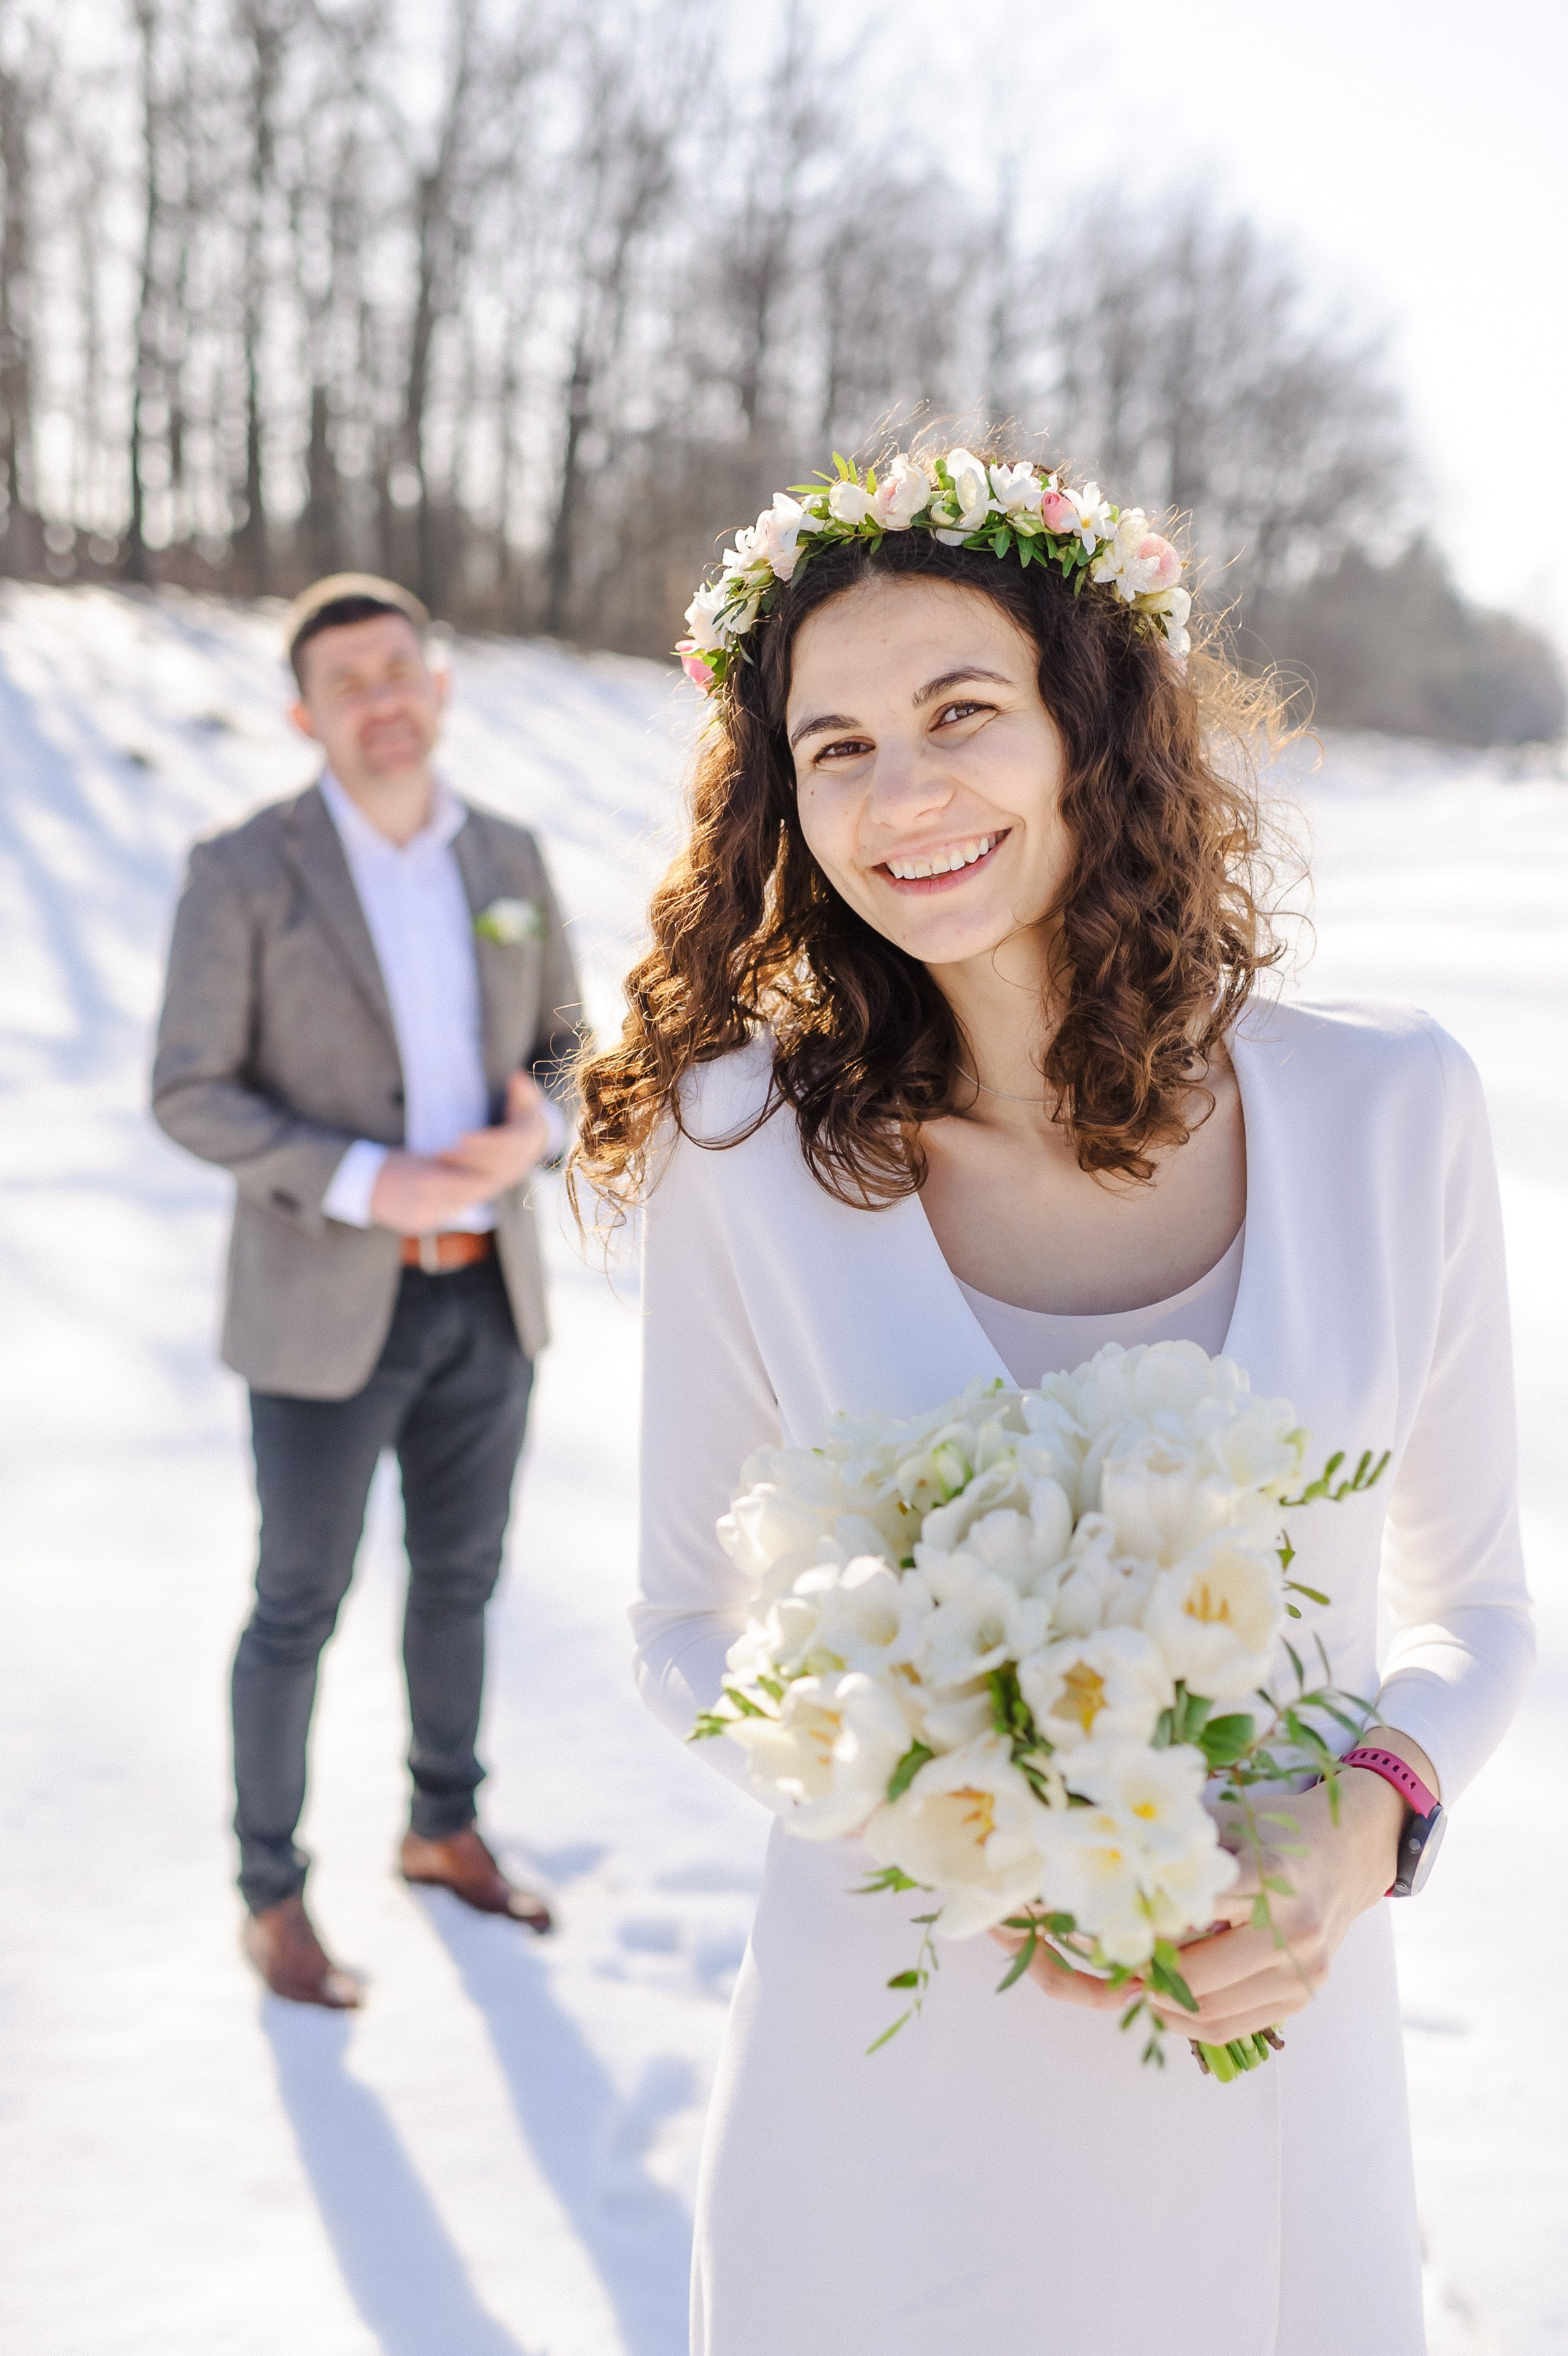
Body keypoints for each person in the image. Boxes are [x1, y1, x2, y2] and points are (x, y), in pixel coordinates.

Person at [570, 450, 1534, 2353]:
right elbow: (683, 1626)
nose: (900, 797)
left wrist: (1369, 1819)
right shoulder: (740, 1148)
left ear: (1092, 725)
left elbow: (1478, 1608)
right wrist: (956, 1794)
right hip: (887, 2092)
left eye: (959, 714)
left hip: (1272, 2066)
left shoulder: (1388, 1107)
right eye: (835, 747)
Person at [153, 573, 583, 2008]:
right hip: (321, 1308)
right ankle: (270, 1891)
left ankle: (441, 1824)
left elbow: (576, 1054)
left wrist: (541, 1126)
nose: (381, 700)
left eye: (399, 669)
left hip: (489, 1298)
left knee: (462, 1580)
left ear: (438, 684)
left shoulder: (510, 854)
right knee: (297, 1603)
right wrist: (358, 1178)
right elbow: (189, 1089)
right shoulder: (242, 868)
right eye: (346, 683)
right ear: (305, 716)